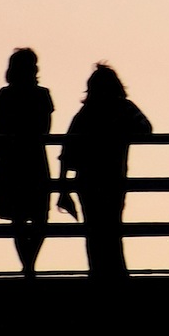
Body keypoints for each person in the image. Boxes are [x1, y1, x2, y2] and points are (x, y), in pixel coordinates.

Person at [58, 64, 150, 280]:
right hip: (114, 178)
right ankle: (116, 273)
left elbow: (67, 152)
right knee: (112, 226)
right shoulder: (124, 108)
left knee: (94, 229)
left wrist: (63, 189)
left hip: (88, 180)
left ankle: (99, 273)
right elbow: (146, 129)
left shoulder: (86, 113)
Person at [0, 48, 53, 278]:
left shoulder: (5, 95)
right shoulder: (42, 95)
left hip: (11, 161)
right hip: (34, 160)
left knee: (19, 218)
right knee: (39, 215)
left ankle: (27, 264)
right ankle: (30, 264)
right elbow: (44, 129)